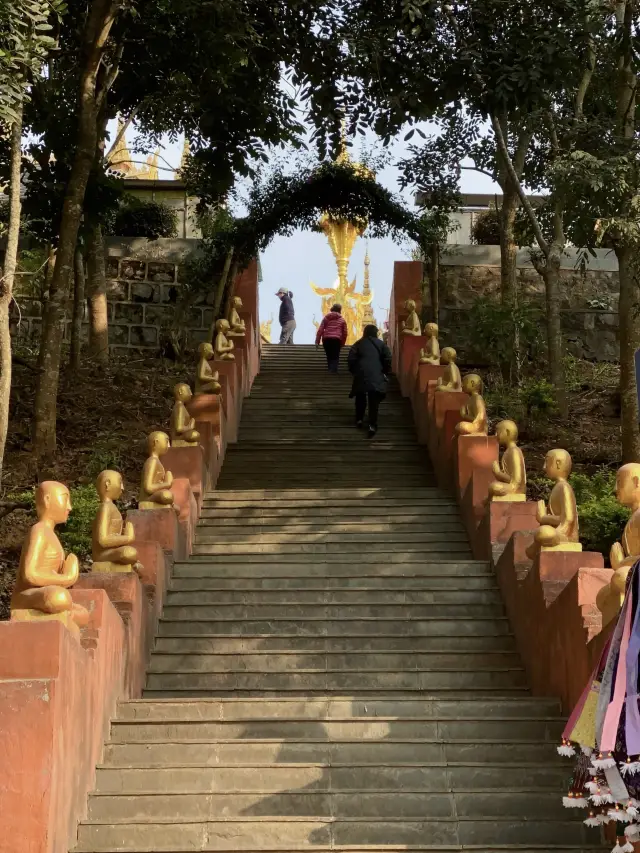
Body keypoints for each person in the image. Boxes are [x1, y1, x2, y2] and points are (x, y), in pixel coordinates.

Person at [348, 324, 392, 438]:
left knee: (360, 396)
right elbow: (387, 358)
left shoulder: (358, 344)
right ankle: (372, 424)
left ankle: (359, 419)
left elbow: (351, 358)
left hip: (361, 373)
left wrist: (355, 371)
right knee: (374, 400)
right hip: (376, 374)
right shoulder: (381, 344)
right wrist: (385, 371)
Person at [315, 303, 348, 373]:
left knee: (329, 355)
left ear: (332, 309)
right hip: (337, 340)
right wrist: (343, 343)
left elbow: (320, 330)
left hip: (327, 340)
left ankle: (330, 368)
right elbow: (345, 333)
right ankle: (334, 370)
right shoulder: (342, 320)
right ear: (340, 310)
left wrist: (317, 341)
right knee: (335, 355)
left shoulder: (326, 318)